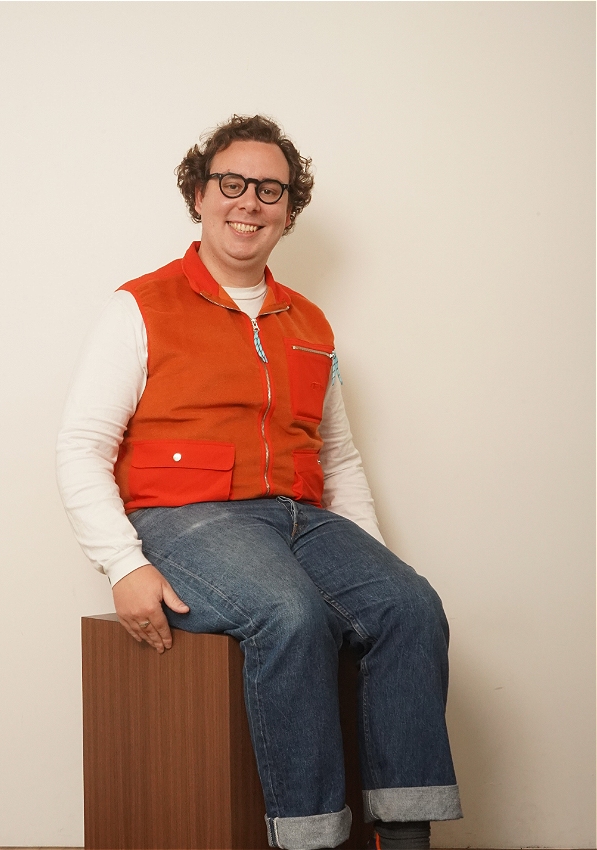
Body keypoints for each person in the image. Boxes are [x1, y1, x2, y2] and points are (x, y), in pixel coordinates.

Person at [56, 114, 462, 850]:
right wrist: (123, 565)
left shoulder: (308, 321)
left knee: (410, 605)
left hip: (300, 519)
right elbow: (82, 446)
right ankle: (310, 841)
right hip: (186, 519)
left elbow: (337, 460)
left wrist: (372, 566)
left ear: (287, 210)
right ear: (199, 194)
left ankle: (405, 841)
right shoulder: (139, 306)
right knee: (289, 616)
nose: (249, 202)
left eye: (269, 190)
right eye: (232, 184)